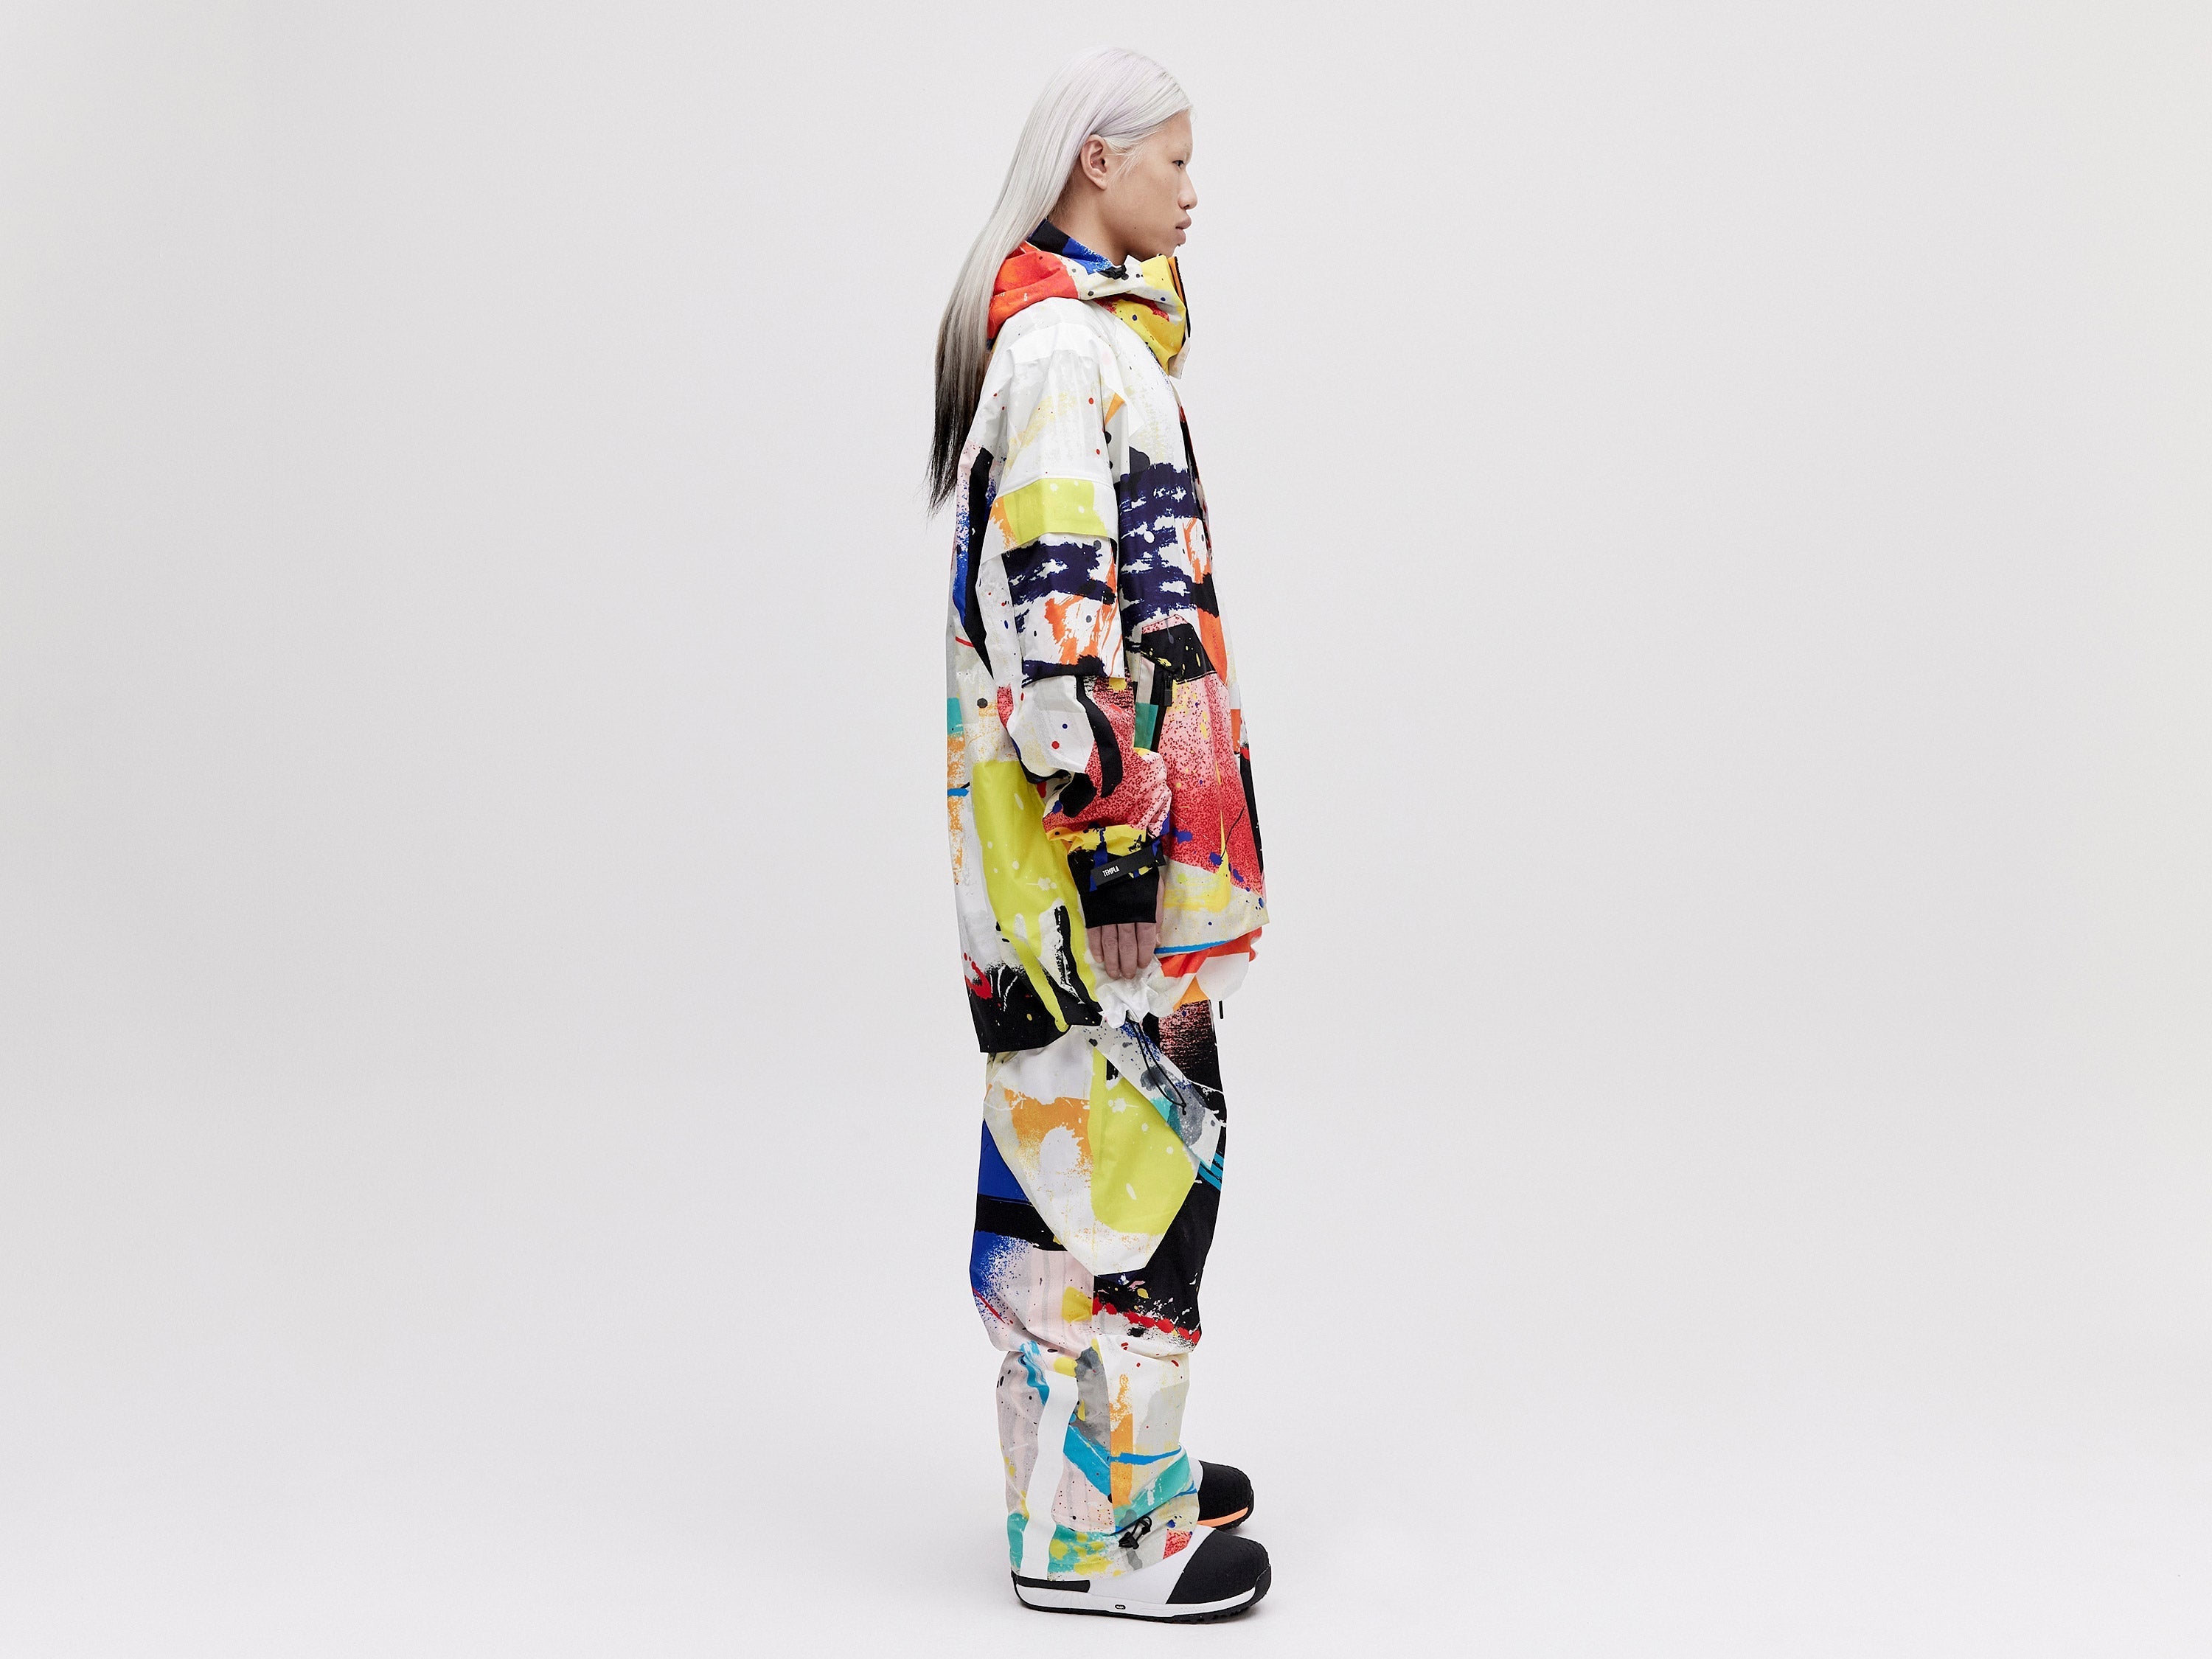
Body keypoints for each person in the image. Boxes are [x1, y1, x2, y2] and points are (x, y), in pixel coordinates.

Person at [931, 46, 1271, 1622]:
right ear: (1098, 162)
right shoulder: (1067, 350)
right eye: (1175, 160)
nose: (1194, 191)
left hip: (1069, 873)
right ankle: (1111, 1539)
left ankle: (1102, 1486)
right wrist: (1118, 842)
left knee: (1083, 1164)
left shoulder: (1083, 341)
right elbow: (1056, 622)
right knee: (1134, 1174)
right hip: (1095, 875)